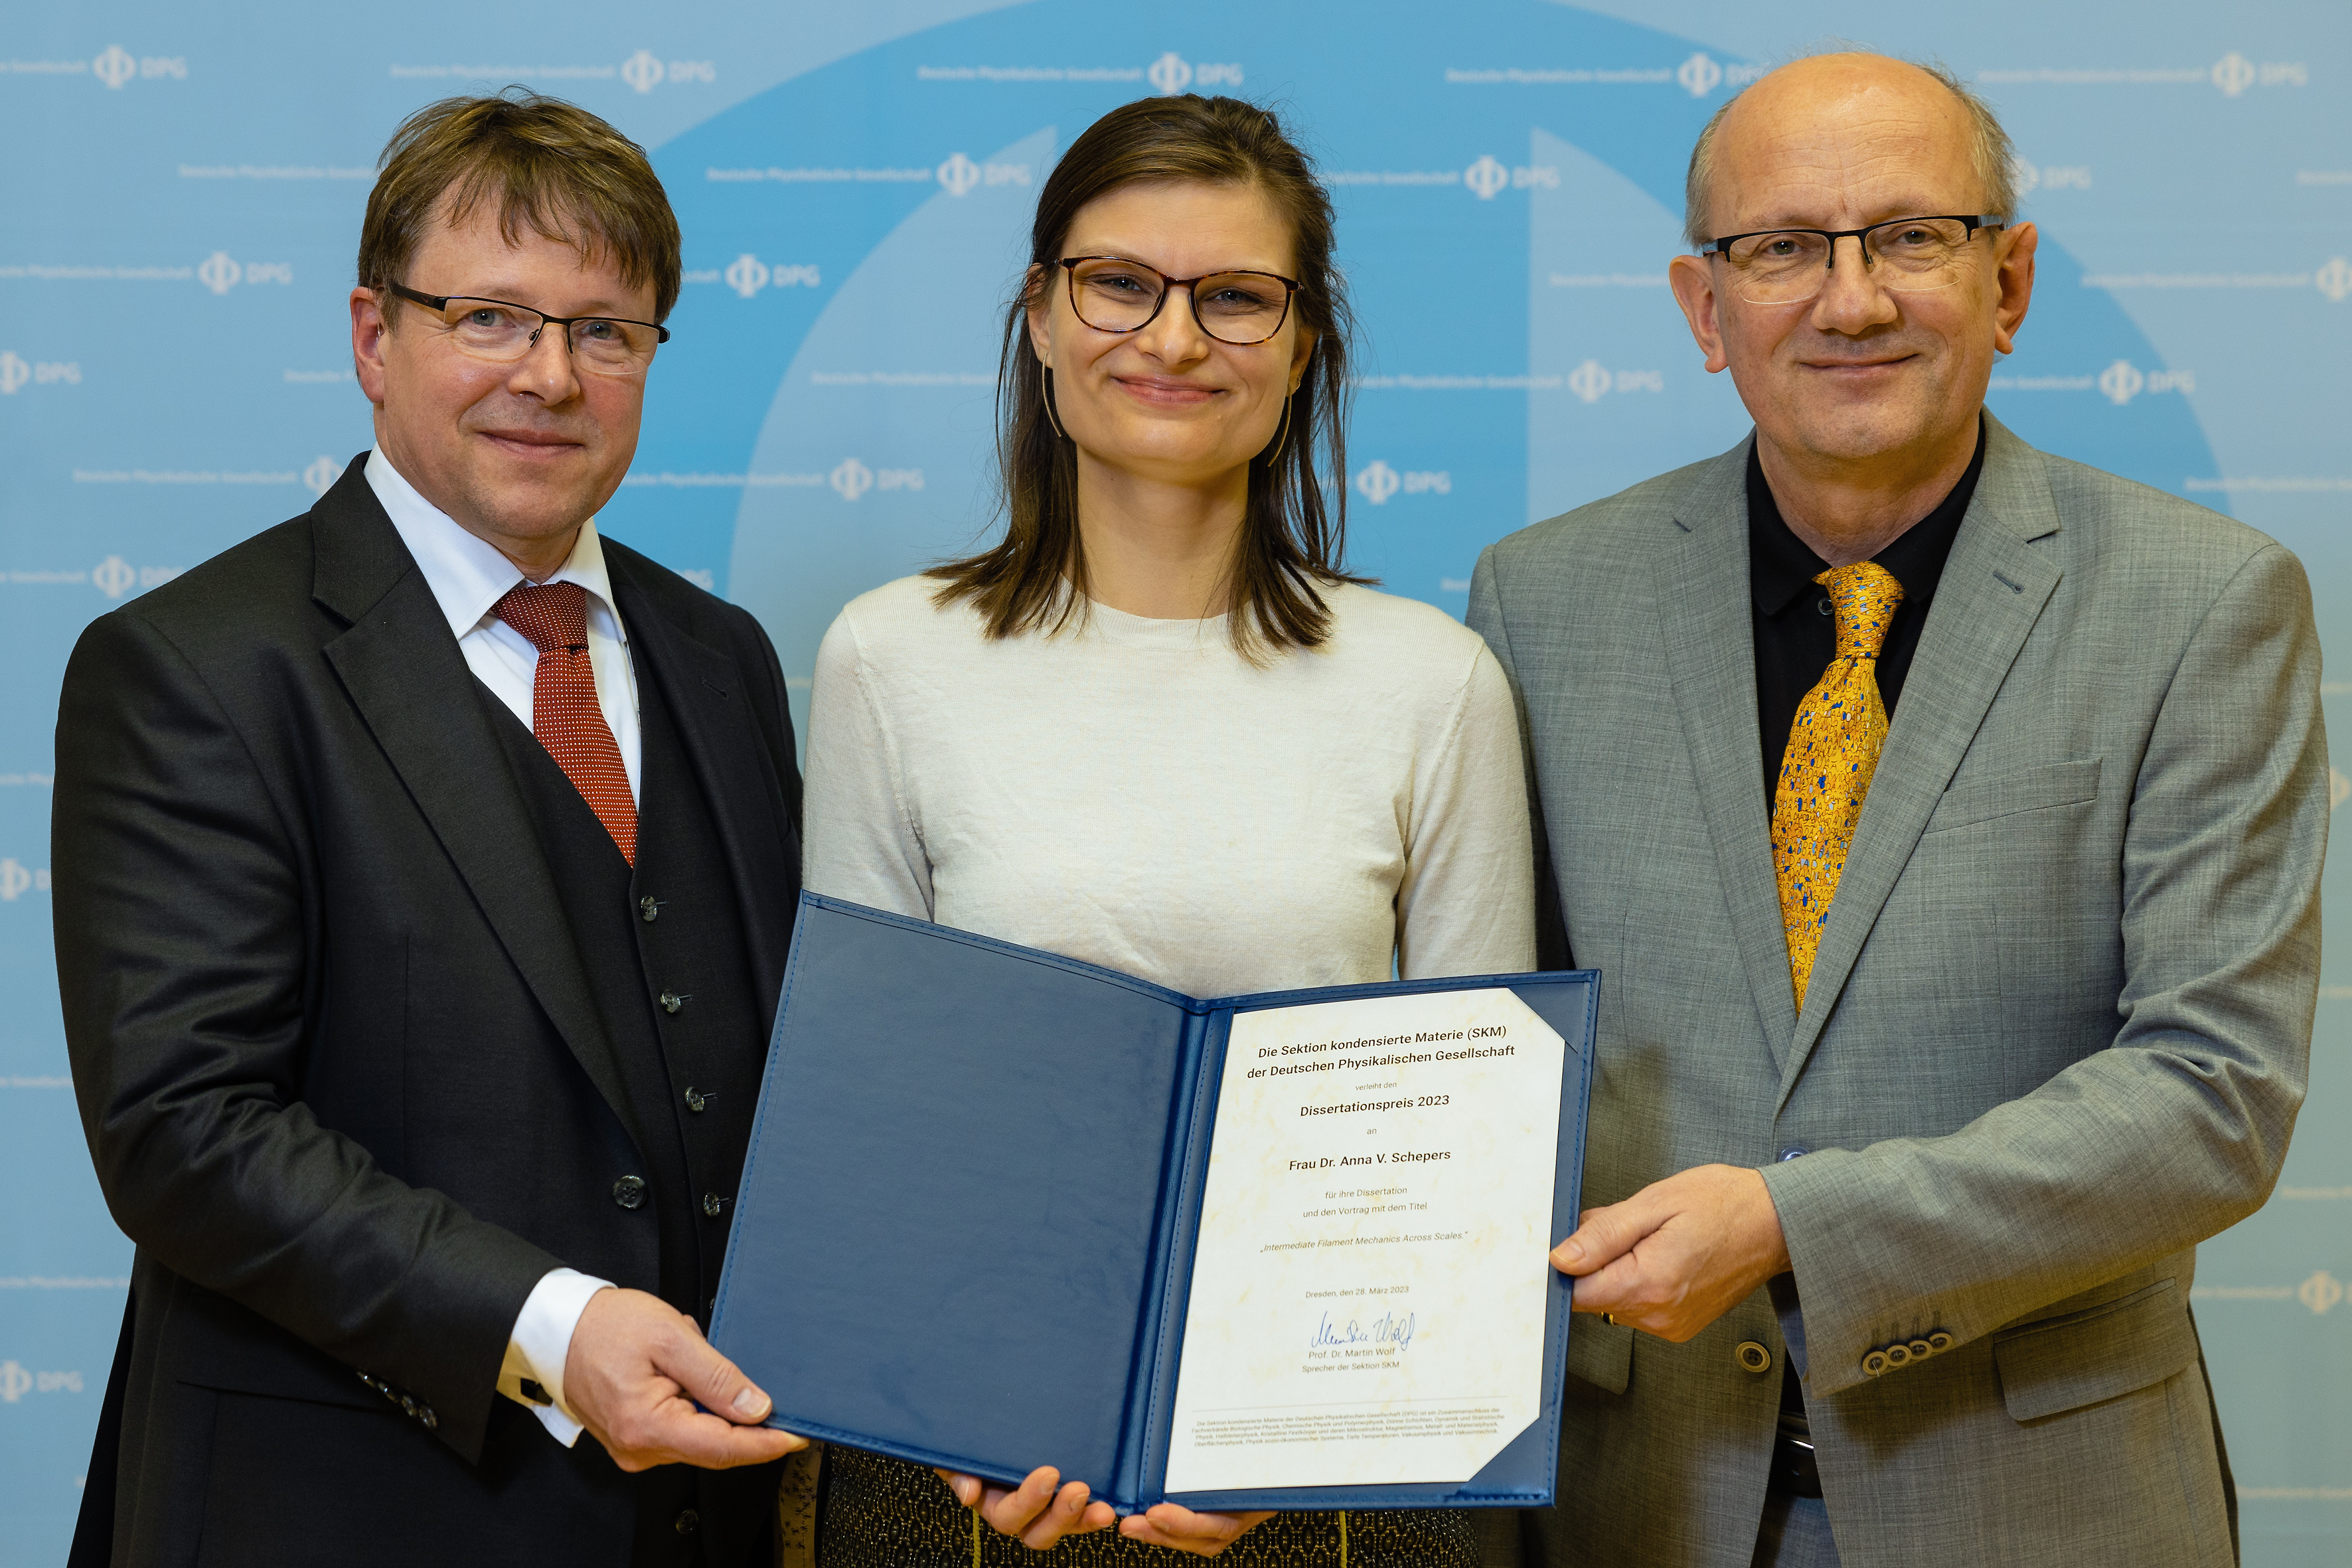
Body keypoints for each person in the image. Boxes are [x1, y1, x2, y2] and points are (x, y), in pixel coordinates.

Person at [1468, 52, 2325, 1568]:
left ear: (2009, 283)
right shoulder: (1540, 600)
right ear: (1703, 309)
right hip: (1632, 1501)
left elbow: (2213, 1095)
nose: (1850, 300)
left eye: (1912, 238)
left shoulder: (2205, 603)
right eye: (1782, 248)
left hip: (2038, 1505)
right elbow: (1481, 1053)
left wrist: (1795, 1221)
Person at [56, 91, 811, 1567]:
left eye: (605, 331)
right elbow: (184, 1129)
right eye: (490, 318)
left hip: (705, 1514)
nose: (551, 375)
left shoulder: (722, 658)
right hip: (335, 1512)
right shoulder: (196, 665)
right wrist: (552, 1323)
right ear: (372, 338)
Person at [800, 94, 1533, 1565]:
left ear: (1302, 342)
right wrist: (980, 1414)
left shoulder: (1431, 679)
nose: (1175, 338)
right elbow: (875, 1120)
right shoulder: (888, 656)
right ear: (1041, 314)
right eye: (1119, 283)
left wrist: (1293, 1439)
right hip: (971, 1461)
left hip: (1334, 1470)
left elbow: (1475, 1154)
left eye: (1235, 297)